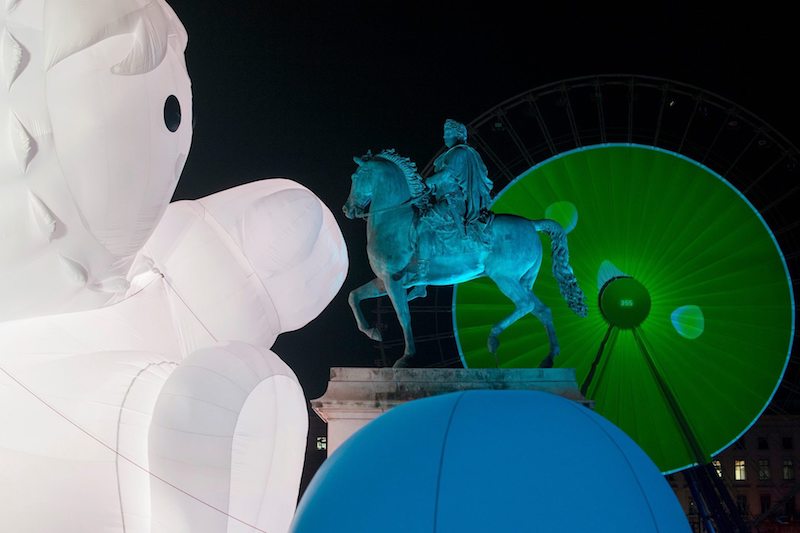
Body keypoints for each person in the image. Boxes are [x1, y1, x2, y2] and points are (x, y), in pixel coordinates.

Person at [425, 119, 493, 241]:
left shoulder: (459, 152)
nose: (445, 136)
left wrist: (428, 181)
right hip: (443, 198)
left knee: (428, 219)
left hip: (453, 201)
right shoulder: (448, 154)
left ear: (459, 135)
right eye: (444, 133)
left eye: (448, 133)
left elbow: (445, 174)